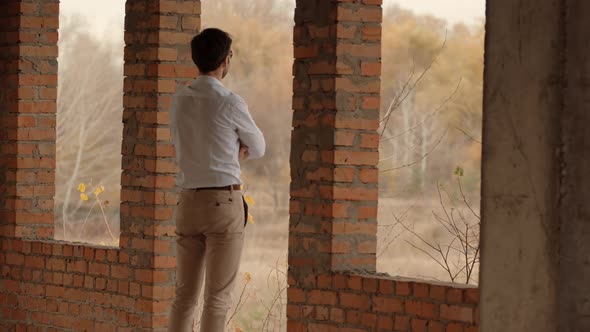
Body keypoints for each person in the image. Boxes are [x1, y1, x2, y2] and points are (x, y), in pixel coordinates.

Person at [167, 28, 266, 332]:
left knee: (184, 295)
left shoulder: (180, 100)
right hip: (222, 203)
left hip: (188, 202)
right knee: (217, 298)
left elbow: (183, 141)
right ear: (225, 60)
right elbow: (259, 148)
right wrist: (237, 147)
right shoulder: (230, 102)